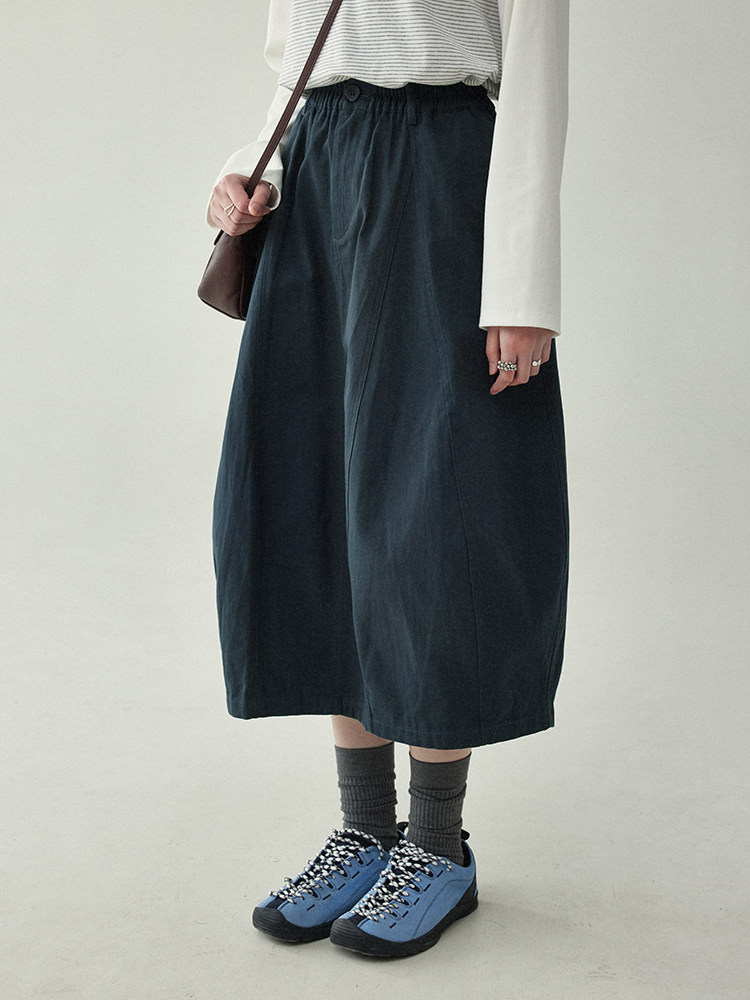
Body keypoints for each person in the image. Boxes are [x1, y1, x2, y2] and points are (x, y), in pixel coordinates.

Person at [206, 0, 569, 959]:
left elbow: (535, 82)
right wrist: (254, 170)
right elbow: (296, 63)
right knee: (325, 499)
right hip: (317, 181)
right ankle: (366, 832)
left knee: (435, 504)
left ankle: (439, 847)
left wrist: (522, 285)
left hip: (443, 173)